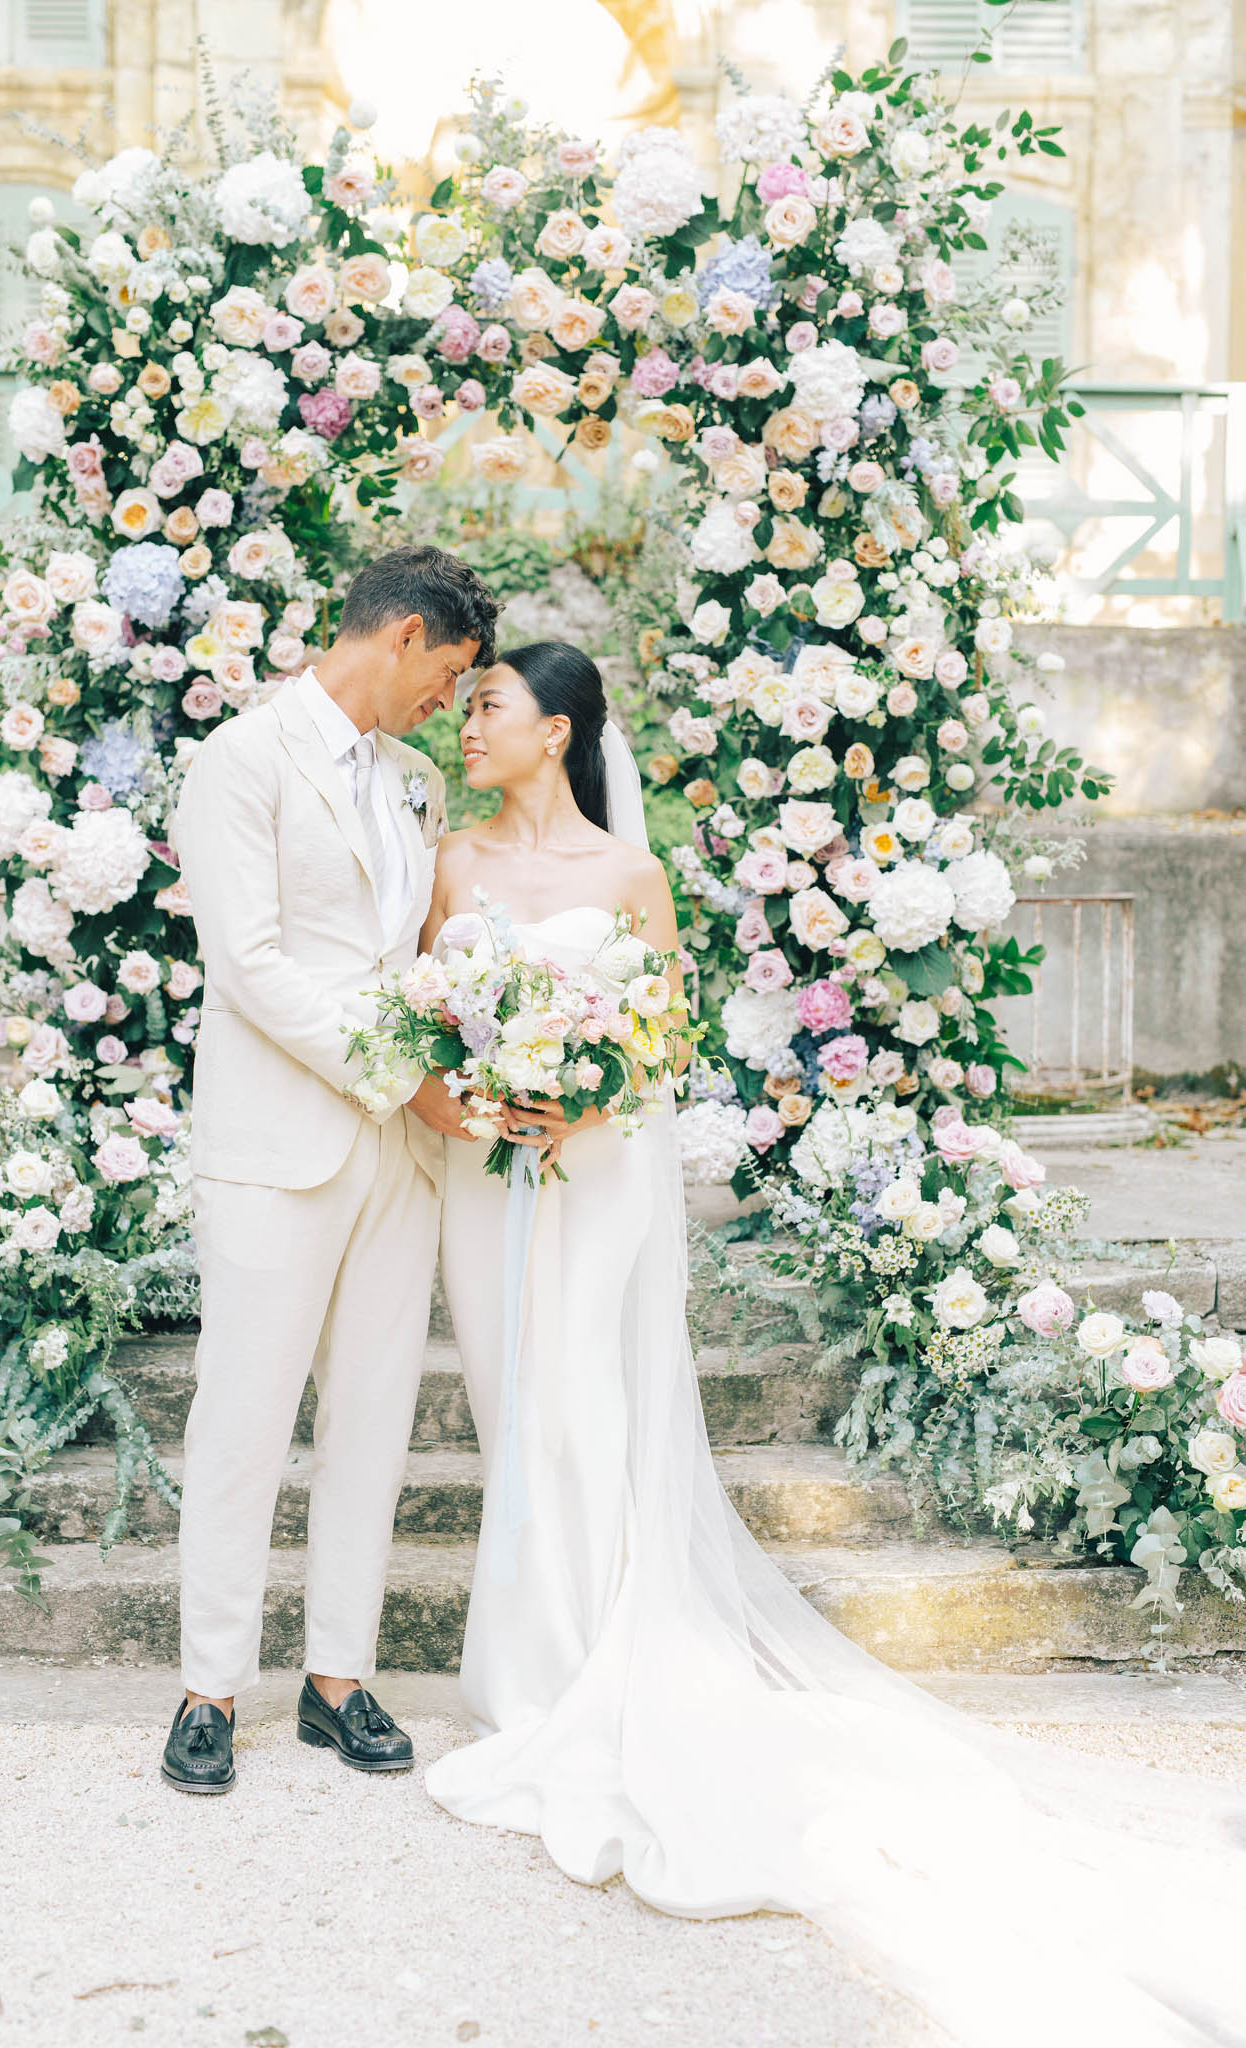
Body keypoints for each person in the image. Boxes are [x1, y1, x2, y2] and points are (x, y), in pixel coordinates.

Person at [418, 641, 1246, 2048]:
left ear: (553, 729)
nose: (465, 724)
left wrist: (584, 1094)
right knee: (515, 1402)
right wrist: (480, 1102)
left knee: (584, 1407)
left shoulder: (630, 879)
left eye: (486, 705)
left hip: (599, 1169)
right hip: (485, 1169)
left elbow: (662, 1040)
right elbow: (422, 1027)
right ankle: (530, 1665)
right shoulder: (447, 861)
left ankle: (585, 1665)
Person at [162, 544, 497, 1794]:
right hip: (274, 1144)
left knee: (372, 1415)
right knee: (242, 1418)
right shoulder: (240, 759)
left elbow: (417, 956)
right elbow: (250, 968)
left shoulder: (415, 783)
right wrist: (399, 1074)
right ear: (403, 634)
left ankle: (337, 1678)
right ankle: (210, 1683)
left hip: (398, 1154)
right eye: (450, 675)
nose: (448, 708)